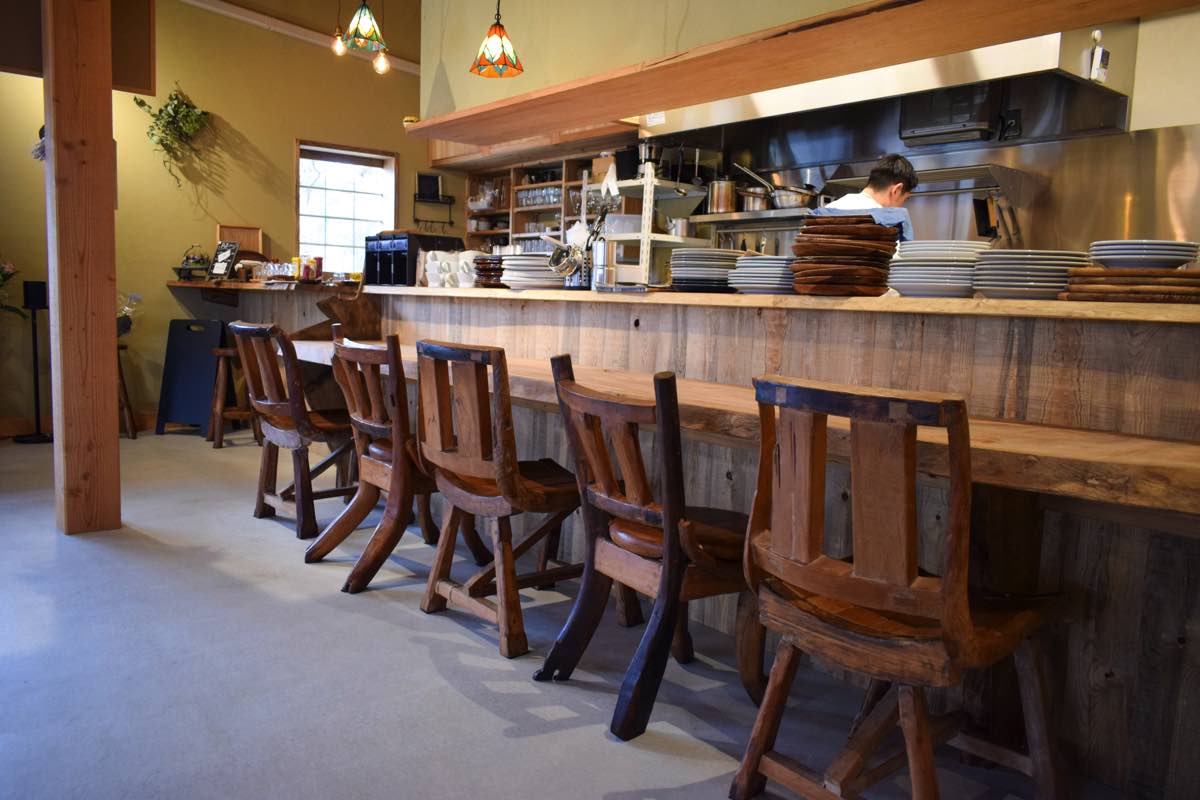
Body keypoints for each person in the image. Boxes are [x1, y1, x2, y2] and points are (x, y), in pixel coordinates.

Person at [826, 154, 918, 209]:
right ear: (896, 190)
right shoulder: (884, 223)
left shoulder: (829, 209)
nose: (901, 206)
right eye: (904, 199)